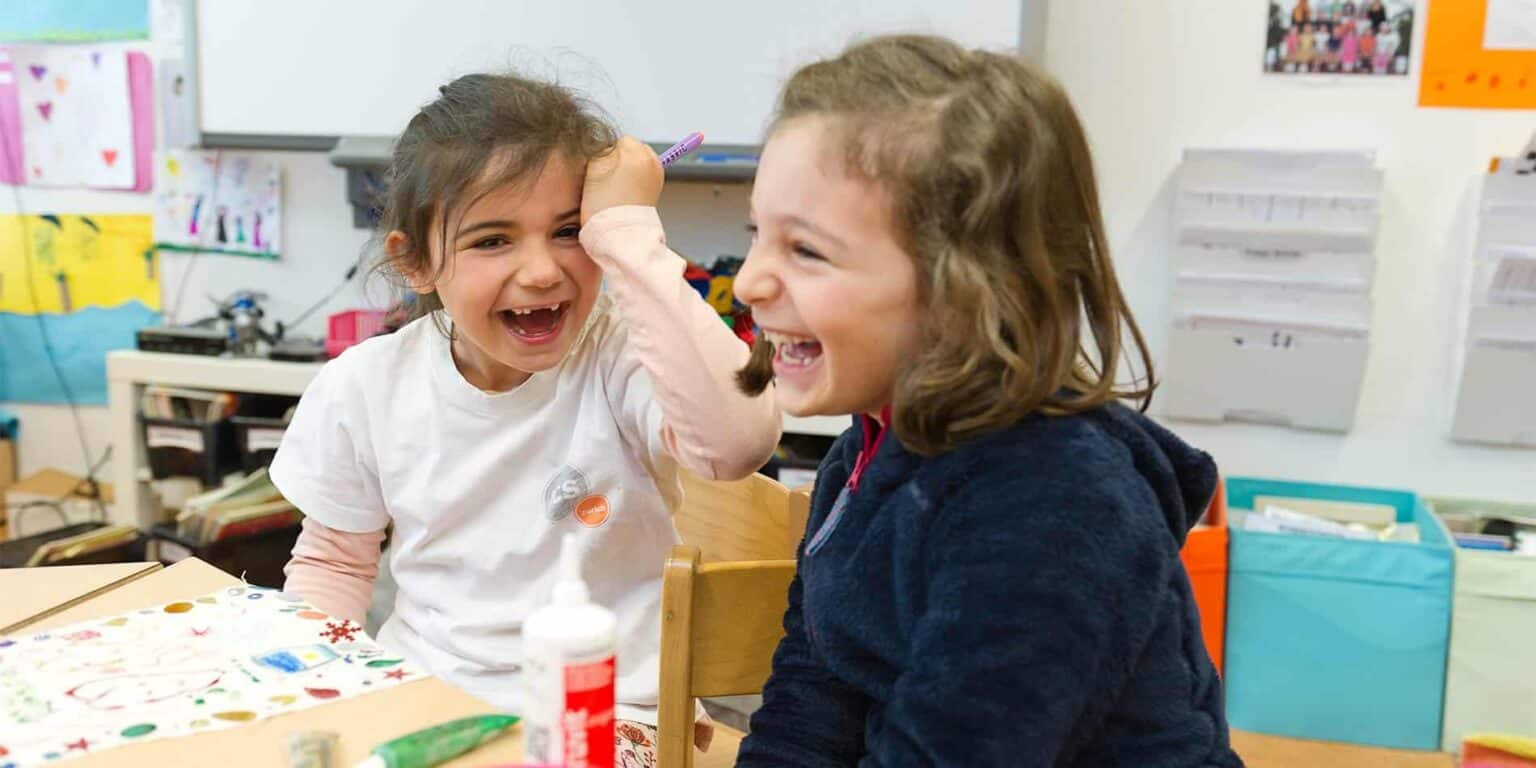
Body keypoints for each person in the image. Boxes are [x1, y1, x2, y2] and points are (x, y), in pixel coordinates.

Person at [729, 35, 1242, 766]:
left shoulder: (1051, 505)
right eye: (759, 236)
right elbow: (816, 690)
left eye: (805, 250)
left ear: (960, 290)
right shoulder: (865, 452)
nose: (749, 282)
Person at [272, 72, 780, 760]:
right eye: (492, 240)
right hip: (423, 693)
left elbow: (737, 442)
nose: (541, 271)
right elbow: (333, 566)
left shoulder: (622, 357)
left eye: (570, 230)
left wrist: (628, 236)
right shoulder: (364, 386)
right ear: (416, 260)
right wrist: (308, 693)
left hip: (607, 707)